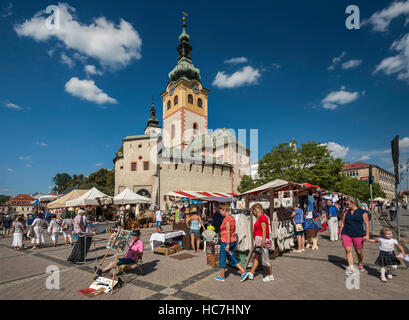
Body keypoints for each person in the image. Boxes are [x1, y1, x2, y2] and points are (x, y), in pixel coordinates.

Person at [214, 203, 249, 282]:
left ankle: (222, 276)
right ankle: (243, 272)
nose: (220, 213)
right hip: (232, 240)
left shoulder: (227, 219)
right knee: (230, 257)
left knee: (222, 258)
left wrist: (227, 244)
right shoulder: (232, 218)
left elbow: (228, 232)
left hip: (226, 241)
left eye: (221, 211)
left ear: (224, 210)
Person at [340, 198, 370, 274]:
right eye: (346, 204)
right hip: (346, 233)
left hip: (358, 234)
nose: (346, 205)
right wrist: (340, 233)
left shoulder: (363, 212)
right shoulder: (346, 212)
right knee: (348, 251)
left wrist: (367, 235)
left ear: (353, 203)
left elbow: (367, 224)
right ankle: (351, 268)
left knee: (359, 252)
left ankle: (360, 262)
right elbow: (343, 223)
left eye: (348, 204)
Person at [247, 203, 274, 282]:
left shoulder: (262, 217)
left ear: (256, 209)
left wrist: (263, 241)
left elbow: (264, 230)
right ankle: (251, 273)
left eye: (253, 211)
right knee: (256, 257)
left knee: (266, 259)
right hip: (259, 241)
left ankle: (270, 275)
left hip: (262, 241)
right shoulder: (260, 218)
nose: (253, 213)